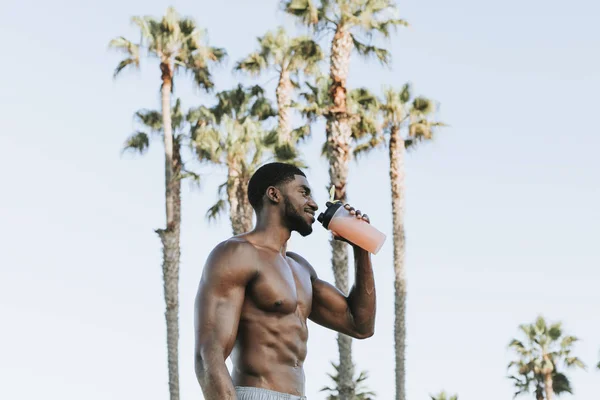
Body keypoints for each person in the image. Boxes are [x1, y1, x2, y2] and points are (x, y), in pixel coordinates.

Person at [194, 162, 376, 400]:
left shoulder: (300, 268)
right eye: (304, 192)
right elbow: (208, 355)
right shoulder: (236, 254)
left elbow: (360, 325)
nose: (313, 203)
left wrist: (361, 250)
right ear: (274, 194)